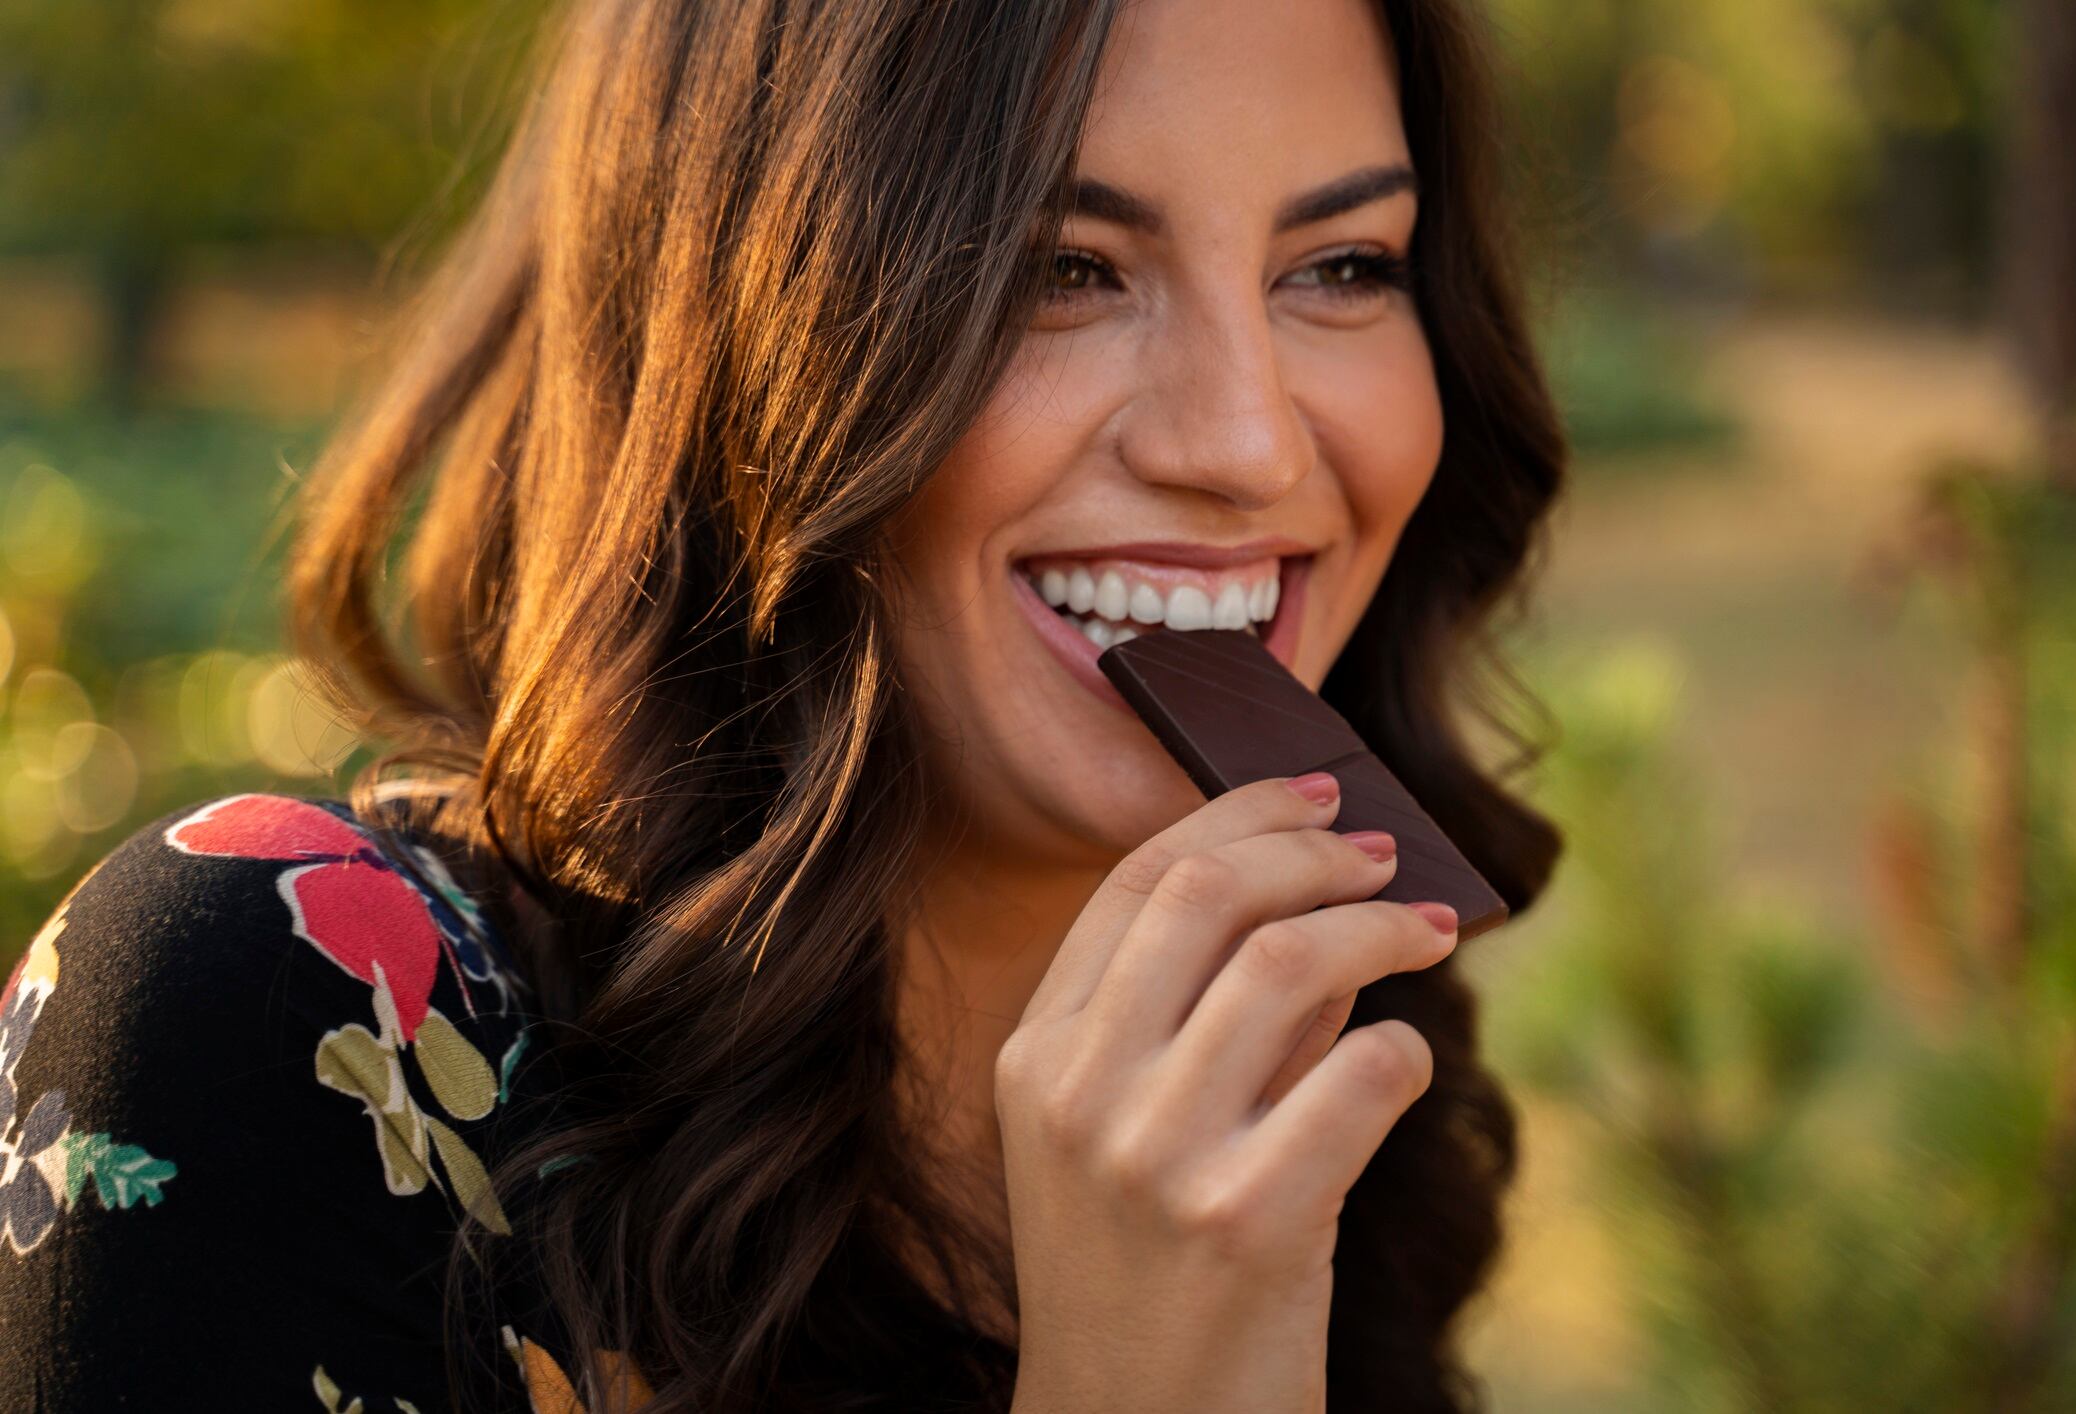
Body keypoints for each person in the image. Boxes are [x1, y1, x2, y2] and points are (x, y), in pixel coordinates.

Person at [0, 0, 1566, 1408]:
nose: (1243, 443)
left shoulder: (1328, 1079)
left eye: (1342, 266)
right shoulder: (274, 1023)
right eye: (1058, 269)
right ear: (739, 332)